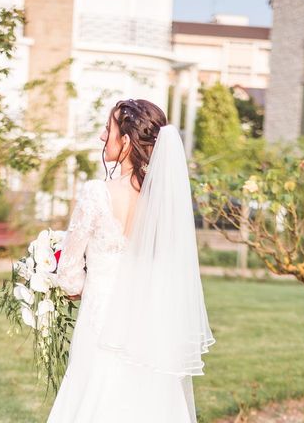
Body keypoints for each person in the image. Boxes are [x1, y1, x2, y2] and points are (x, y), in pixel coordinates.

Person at [47, 99, 215, 422]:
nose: (101, 136)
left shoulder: (97, 193)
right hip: (148, 330)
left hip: (99, 328)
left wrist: (73, 284)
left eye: (107, 129)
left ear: (125, 141)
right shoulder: (163, 204)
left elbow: (68, 276)